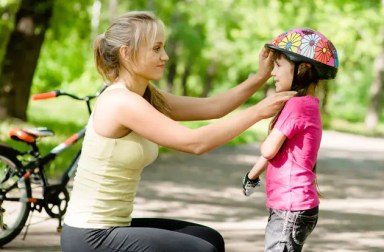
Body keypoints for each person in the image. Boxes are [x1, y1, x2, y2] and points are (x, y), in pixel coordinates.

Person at [60, 11, 296, 252]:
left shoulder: (145, 96)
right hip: (91, 236)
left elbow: (212, 107)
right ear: (126, 53)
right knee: (202, 250)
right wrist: (257, 112)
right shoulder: (120, 102)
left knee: (210, 239)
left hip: (113, 227)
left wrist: (259, 77)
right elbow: (194, 143)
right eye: (156, 48)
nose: (165, 56)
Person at [241, 28, 339, 251]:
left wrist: (254, 167)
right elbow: (277, 152)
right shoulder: (308, 104)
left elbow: (268, 149)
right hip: (293, 207)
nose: (273, 73)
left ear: (302, 69)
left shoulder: (296, 105)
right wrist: (251, 176)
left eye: (278, 65)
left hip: (290, 208)